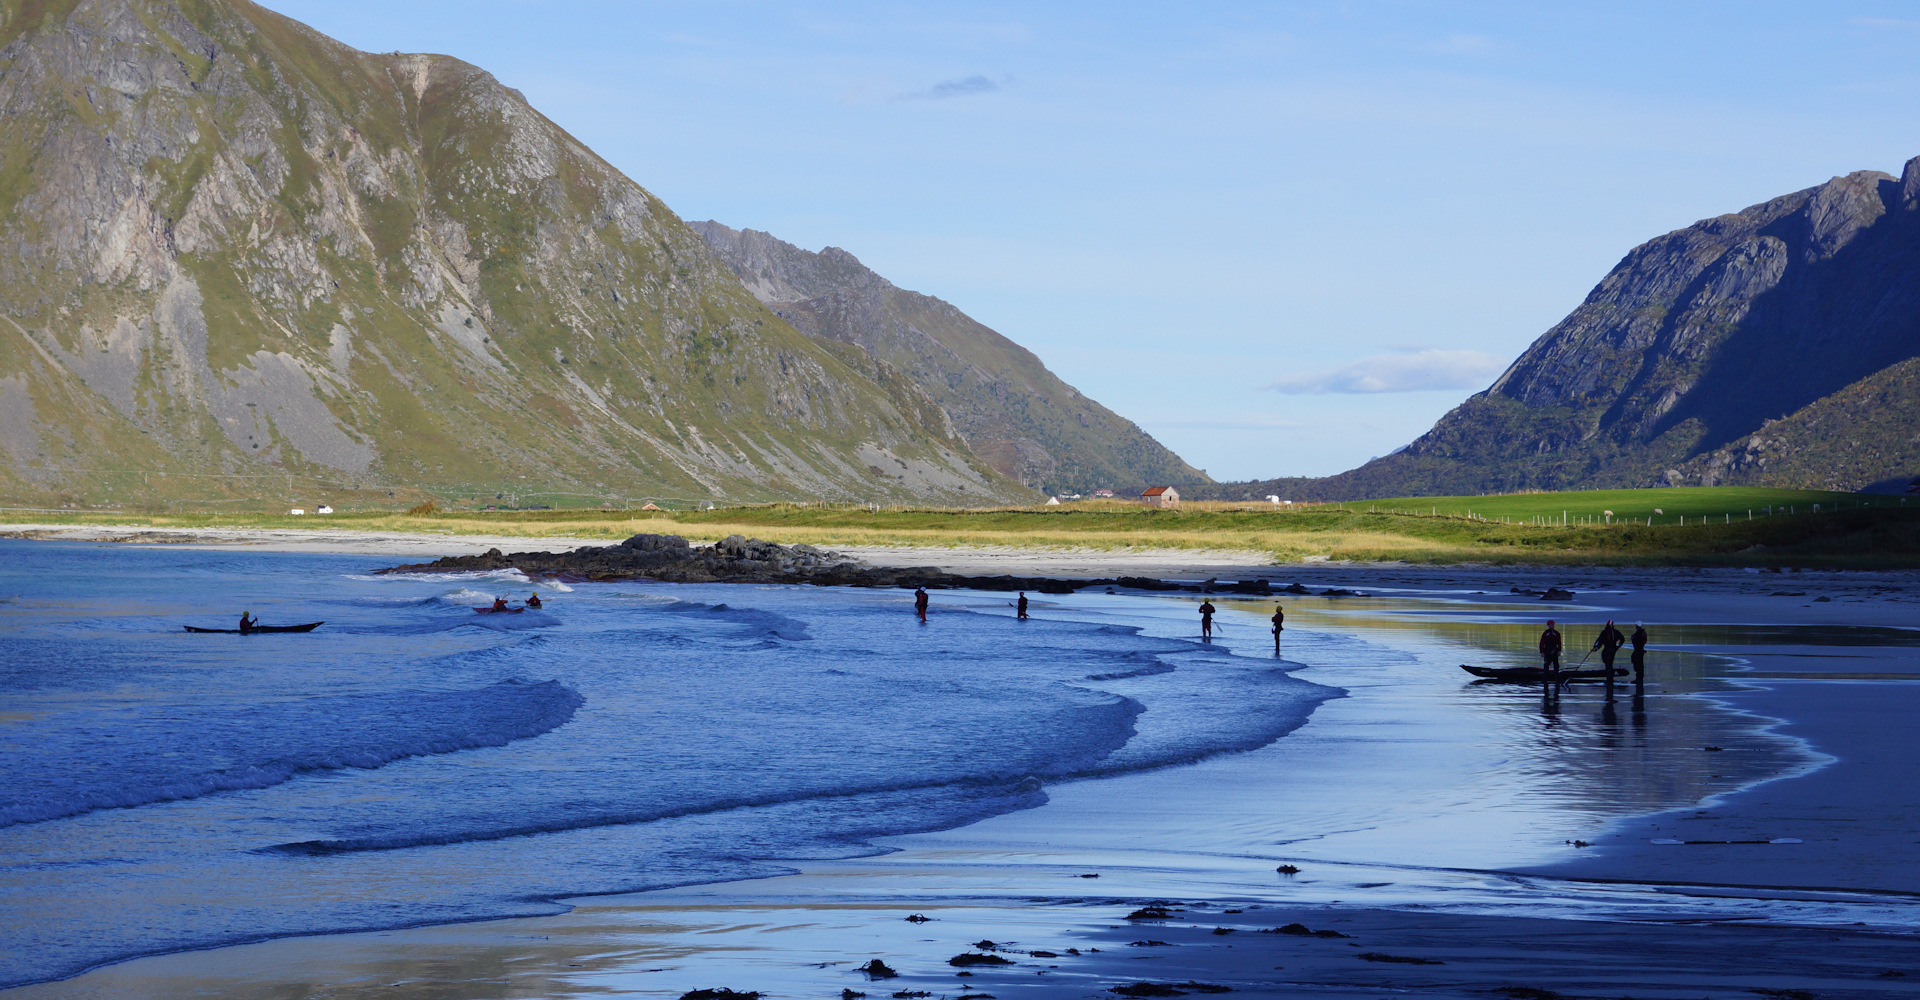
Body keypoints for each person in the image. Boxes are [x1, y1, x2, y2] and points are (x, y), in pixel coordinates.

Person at [1592, 619, 1626, 703]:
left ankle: (1609, 680)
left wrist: (1595, 648)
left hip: (1607, 650)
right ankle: (1610, 679)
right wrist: (1618, 646)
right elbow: (1622, 639)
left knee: (1608, 664)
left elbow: (1600, 641)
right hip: (1613, 650)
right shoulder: (1616, 632)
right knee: (1610, 663)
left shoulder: (1605, 632)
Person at [1538, 620, 1563, 698]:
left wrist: (1559, 650)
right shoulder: (1545, 633)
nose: (1552, 626)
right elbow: (1542, 642)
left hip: (1554, 651)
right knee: (1546, 665)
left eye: (1552, 624)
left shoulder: (1557, 633)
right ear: (1548, 625)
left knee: (1556, 665)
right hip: (1547, 651)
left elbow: (1559, 642)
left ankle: (1557, 678)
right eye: (1550, 625)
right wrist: (1542, 651)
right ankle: (1545, 679)